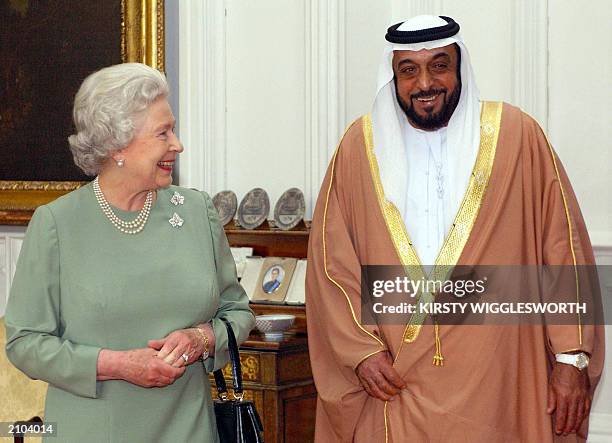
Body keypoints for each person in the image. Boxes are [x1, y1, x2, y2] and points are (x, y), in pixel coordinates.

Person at [306, 15, 604, 442]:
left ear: (460, 66)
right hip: (395, 383)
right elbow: (331, 265)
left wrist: (571, 359)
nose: (425, 83)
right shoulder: (359, 148)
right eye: (408, 69)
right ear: (392, 77)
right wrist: (360, 352)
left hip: (501, 382)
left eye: (439, 65)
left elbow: (563, 251)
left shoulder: (517, 136)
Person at [4, 63, 255, 442]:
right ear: (118, 145)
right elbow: (25, 343)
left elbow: (237, 311)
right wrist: (117, 365)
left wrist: (202, 339)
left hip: (190, 430)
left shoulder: (196, 212)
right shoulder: (57, 224)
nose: (177, 144)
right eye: (163, 133)